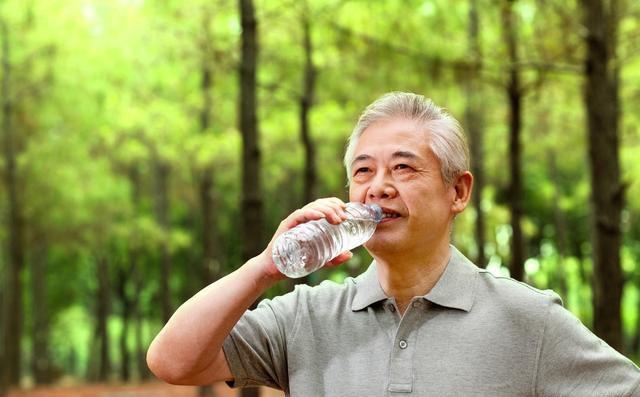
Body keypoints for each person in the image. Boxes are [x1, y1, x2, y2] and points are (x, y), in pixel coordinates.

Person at [147, 92, 640, 396]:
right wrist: (263, 268)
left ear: (458, 191)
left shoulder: (526, 319)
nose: (377, 187)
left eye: (403, 167)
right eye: (363, 171)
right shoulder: (306, 317)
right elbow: (172, 362)